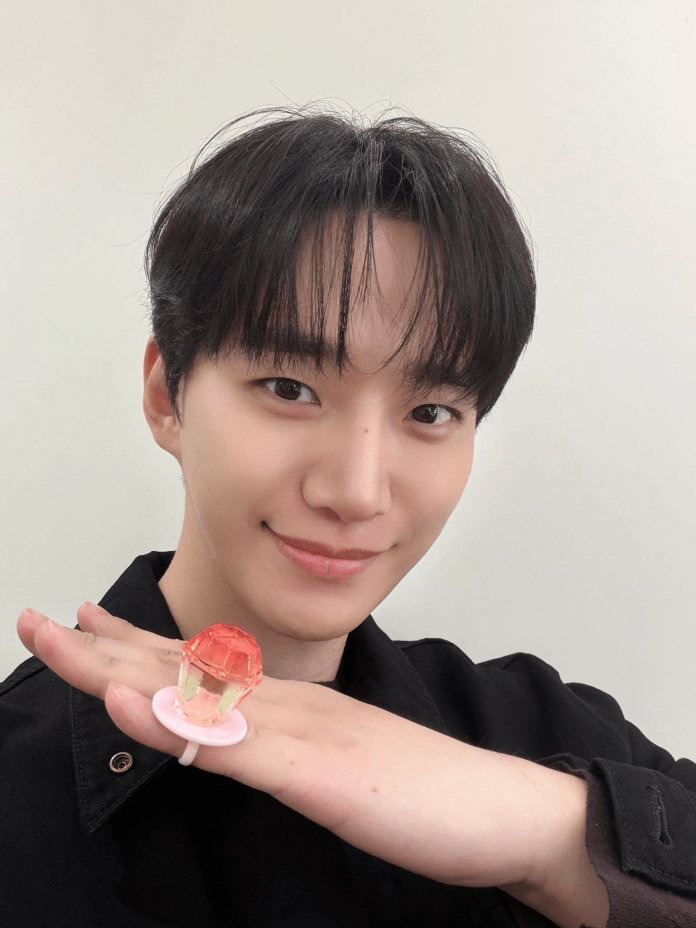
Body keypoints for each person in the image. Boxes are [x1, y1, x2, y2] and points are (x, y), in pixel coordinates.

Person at [4, 105, 696, 928]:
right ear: (165, 396)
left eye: (433, 411)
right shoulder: (18, 794)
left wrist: (546, 834)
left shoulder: (542, 729)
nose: (358, 491)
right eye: (291, 390)